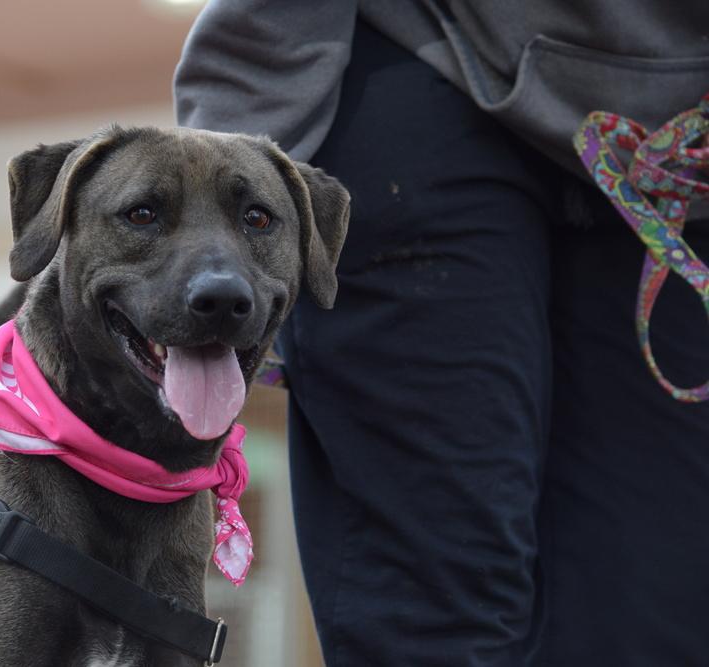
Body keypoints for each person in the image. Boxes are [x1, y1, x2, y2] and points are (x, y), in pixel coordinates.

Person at [174, 2, 709, 665]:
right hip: (425, 59)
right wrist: (220, 200)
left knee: (657, 609)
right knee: (443, 609)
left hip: (675, 134)